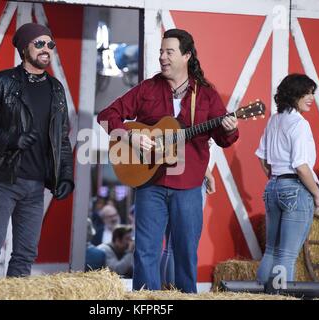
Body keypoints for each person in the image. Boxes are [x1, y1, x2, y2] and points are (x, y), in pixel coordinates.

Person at [97, 28, 239, 292]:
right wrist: (130, 136)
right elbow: (106, 115)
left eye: (169, 52)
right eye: (161, 51)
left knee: (185, 253)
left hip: (188, 185)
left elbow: (223, 138)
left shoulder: (206, 94)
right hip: (151, 183)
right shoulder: (148, 88)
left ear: (186, 56)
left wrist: (229, 127)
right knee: (145, 252)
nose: (162, 57)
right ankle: (146, 303)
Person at [0, 23, 74, 278]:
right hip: (3, 180)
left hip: (36, 186)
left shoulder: (56, 89)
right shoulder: (1, 82)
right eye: (39, 44)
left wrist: (66, 175)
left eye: (50, 44)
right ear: (24, 48)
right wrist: (12, 139)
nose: (46, 49)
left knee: (26, 253)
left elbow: (62, 138)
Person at [255, 73, 319, 283]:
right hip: (295, 187)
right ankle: (280, 297)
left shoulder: (274, 120)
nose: (311, 98)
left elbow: (262, 157)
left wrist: (276, 177)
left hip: (273, 185)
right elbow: (301, 167)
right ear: (294, 94)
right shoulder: (299, 124)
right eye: (307, 93)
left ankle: (260, 298)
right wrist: (317, 194)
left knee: (271, 251)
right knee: (287, 255)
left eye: (312, 93)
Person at [160, 166, 215, 289]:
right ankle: (175, 292)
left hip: (169, 178)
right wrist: (209, 175)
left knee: (169, 246)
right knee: (180, 246)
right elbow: (197, 152)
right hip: (190, 180)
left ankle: (166, 290)